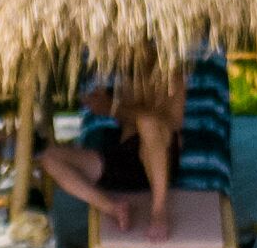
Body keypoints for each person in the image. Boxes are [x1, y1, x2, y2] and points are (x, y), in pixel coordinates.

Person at [40, 54, 184, 229]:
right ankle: (111, 207)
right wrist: (103, 104)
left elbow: (170, 123)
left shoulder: (172, 76)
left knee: (148, 123)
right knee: (50, 157)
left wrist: (112, 108)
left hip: (161, 160)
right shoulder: (127, 76)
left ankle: (159, 211)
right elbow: (125, 119)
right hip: (123, 158)